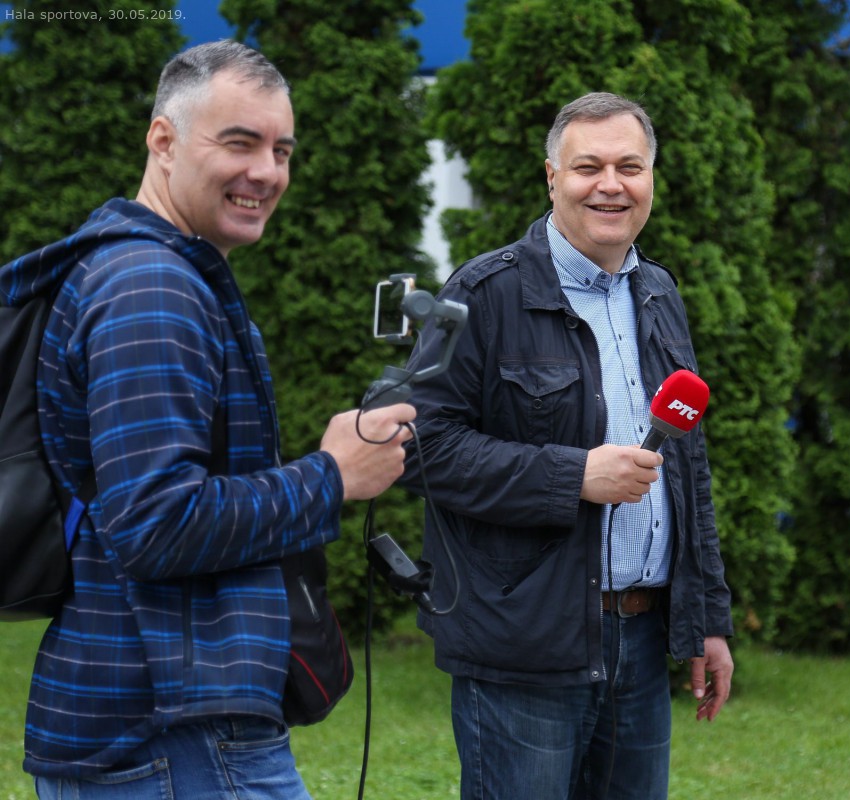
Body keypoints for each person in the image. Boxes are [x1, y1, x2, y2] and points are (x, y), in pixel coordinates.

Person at [0, 40, 414, 798]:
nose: (267, 172)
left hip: (157, 723)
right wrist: (332, 477)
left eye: (281, 150)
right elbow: (156, 524)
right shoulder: (150, 287)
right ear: (163, 140)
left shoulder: (141, 268)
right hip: (174, 735)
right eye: (239, 143)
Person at [399, 92, 735, 800]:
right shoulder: (482, 294)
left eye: (629, 167)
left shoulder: (659, 293)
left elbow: (688, 467)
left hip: (641, 639)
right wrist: (572, 474)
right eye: (588, 167)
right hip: (523, 647)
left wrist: (705, 618)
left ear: (651, 179)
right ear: (552, 177)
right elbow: (419, 446)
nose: (610, 185)